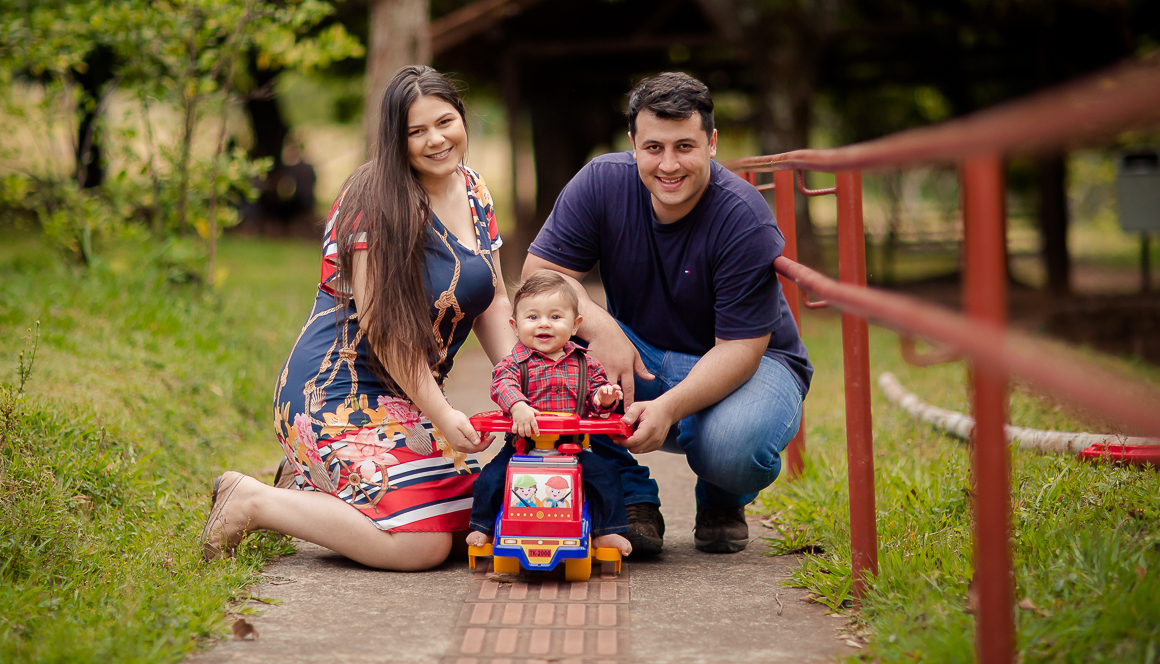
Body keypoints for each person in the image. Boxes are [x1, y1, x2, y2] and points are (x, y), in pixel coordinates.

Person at [200, 66, 516, 571]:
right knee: (422, 546)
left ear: (462, 117)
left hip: (403, 397)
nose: (436, 140)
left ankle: (313, 486)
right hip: (335, 392)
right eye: (416, 131)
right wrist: (443, 414)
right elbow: (384, 333)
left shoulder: (474, 189)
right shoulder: (373, 199)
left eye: (445, 121)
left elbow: (494, 298)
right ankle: (252, 500)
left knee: (479, 519)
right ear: (396, 138)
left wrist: (517, 386)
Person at [522, 72, 813, 556]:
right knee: (544, 336)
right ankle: (630, 495)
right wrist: (601, 327)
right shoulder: (600, 182)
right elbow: (541, 278)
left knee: (730, 448)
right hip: (645, 355)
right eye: (654, 147)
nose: (669, 164)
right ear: (633, 143)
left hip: (753, 364)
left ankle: (723, 493)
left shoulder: (743, 216)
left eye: (685, 146)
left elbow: (741, 348)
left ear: (712, 143)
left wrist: (671, 408)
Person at [465, 271, 632, 556]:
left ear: (575, 324)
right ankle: (482, 526)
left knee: (607, 475)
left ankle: (606, 531)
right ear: (514, 326)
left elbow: (595, 399)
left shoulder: (587, 364)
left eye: (555, 317)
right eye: (533, 318)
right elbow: (501, 384)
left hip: (570, 448)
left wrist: (604, 399)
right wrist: (517, 406)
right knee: (490, 478)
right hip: (522, 447)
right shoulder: (513, 364)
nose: (544, 324)